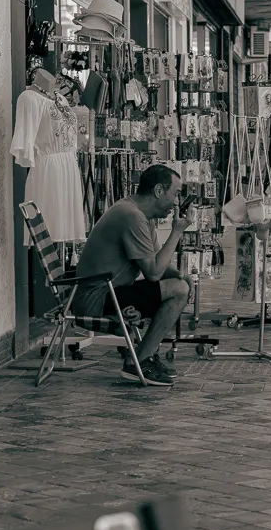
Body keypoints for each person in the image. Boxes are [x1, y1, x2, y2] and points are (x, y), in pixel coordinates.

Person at [74, 164, 193, 385]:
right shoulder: (132, 217)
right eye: (175, 193)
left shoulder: (140, 215)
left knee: (179, 284)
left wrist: (180, 274)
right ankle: (140, 360)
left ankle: (144, 356)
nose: (177, 202)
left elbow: (157, 259)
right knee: (178, 291)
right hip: (95, 299)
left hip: (108, 292)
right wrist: (177, 231)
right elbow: (153, 274)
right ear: (159, 190)